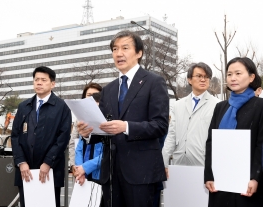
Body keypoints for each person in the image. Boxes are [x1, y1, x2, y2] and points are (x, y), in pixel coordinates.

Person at [77, 30, 169, 207]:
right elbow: (102, 128)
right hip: (111, 173)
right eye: (114, 49)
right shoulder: (108, 89)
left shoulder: (154, 82)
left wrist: (126, 127)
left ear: (139, 52)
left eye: (125, 48)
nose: (118, 53)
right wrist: (87, 133)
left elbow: (160, 125)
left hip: (141, 172)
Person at [204, 57, 263, 207]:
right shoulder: (220, 107)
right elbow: (211, 142)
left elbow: (261, 145)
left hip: (247, 184)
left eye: (238, 73)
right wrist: (209, 175)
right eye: (229, 74)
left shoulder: (260, 106)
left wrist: (256, 178)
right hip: (220, 182)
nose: (233, 78)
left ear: (251, 77)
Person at [11, 66, 71, 207]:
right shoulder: (23, 106)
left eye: (43, 80)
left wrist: (48, 162)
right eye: (36, 79)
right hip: (26, 170)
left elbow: (63, 138)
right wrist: (21, 162)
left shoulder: (62, 107)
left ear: (52, 84)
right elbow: (15, 136)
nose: (39, 83)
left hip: (50, 169)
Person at [162, 62, 220, 177]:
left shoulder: (217, 105)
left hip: (203, 164)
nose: (203, 79)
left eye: (206, 77)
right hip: (179, 163)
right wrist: (164, 162)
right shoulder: (178, 105)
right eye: (199, 76)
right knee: (180, 194)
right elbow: (171, 135)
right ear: (189, 80)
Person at [69, 82, 102, 174]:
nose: (92, 98)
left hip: (100, 170)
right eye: (89, 95)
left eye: (96, 95)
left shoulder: (107, 118)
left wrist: (86, 167)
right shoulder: (79, 119)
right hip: (80, 171)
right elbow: (74, 144)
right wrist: (74, 166)